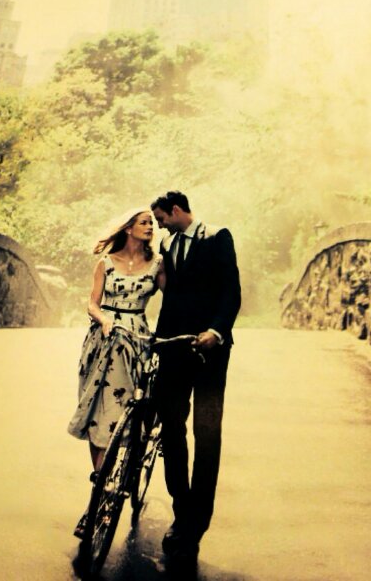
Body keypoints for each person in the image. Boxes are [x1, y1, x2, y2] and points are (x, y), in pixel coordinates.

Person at [150, 191, 241, 567]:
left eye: (161, 219)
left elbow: (231, 291)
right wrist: (156, 340)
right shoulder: (167, 246)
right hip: (174, 348)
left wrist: (216, 331)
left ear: (176, 210)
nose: (159, 227)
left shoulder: (217, 237)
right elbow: (171, 301)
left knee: (207, 432)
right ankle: (181, 507)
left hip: (210, 352)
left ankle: (195, 525)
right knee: (171, 427)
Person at [67, 207, 164, 538]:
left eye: (152, 223)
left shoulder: (157, 264)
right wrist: (105, 320)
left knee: (130, 412)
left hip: (137, 338)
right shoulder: (106, 263)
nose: (150, 227)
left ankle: (125, 473)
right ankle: (99, 492)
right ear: (128, 228)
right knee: (98, 413)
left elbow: (174, 298)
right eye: (144, 222)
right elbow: (92, 304)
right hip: (105, 338)